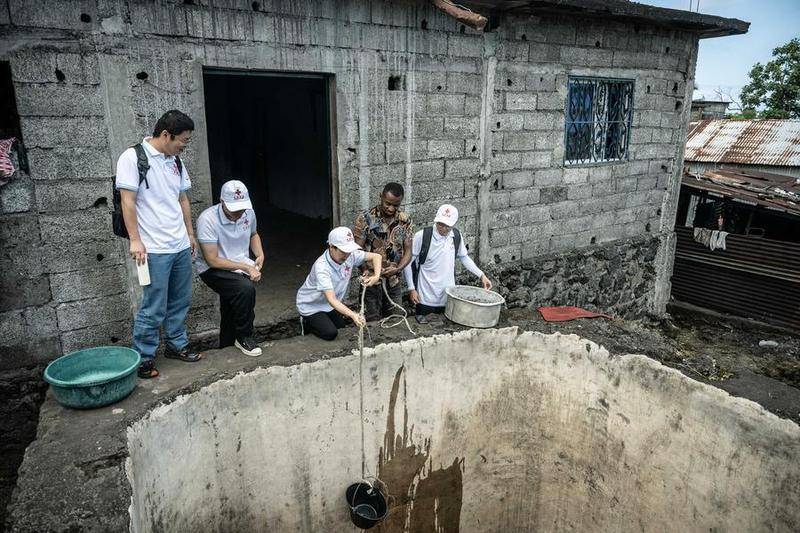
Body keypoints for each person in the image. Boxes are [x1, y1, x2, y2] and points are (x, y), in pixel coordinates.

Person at [116, 110, 203, 379]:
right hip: (152, 248)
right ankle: (144, 356)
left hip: (178, 244)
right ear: (166, 134)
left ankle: (176, 345)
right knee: (153, 306)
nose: (184, 145)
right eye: (183, 140)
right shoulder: (133, 158)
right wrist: (135, 240)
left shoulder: (175, 161)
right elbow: (127, 201)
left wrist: (190, 234)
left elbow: (183, 199)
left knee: (180, 301)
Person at [196, 180, 265, 357]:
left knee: (231, 302)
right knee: (244, 289)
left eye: (241, 208)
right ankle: (244, 336)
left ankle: (226, 344)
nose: (238, 213)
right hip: (213, 268)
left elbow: (253, 234)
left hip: (238, 263)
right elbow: (212, 260)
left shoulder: (248, 213)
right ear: (222, 202)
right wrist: (247, 268)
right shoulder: (207, 219)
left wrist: (259, 254)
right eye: (234, 209)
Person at [404, 204, 492, 318]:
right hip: (425, 298)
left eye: (448, 226)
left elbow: (464, 257)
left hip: (449, 296)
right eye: (441, 224)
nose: (444, 228)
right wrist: (411, 289)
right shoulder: (422, 236)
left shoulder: (455, 236)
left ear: (453, 224)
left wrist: (481, 275)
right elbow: (407, 263)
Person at [296, 227, 382, 340]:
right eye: (343, 251)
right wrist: (353, 315)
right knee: (330, 333)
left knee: (341, 327)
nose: (346, 255)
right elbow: (332, 299)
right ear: (331, 247)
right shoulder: (321, 267)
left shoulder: (350, 255)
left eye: (348, 251)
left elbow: (377, 256)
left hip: (328, 304)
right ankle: (306, 322)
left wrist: (376, 276)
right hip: (311, 305)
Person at [353, 182, 414, 322]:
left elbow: (408, 251)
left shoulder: (405, 221)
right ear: (380, 196)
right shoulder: (365, 218)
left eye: (396, 205)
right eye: (387, 203)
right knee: (371, 321)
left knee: (396, 320)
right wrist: (365, 270)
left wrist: (397, 268)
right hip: (370, 281)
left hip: (394, 281)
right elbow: (357, 250)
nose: (391, 208)